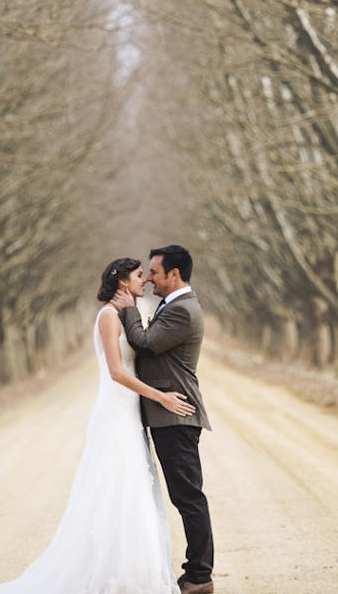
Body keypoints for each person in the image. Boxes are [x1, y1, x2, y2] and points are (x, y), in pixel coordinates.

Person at [0, 256, 194, 594]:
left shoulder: (126, 314)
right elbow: (117, 372)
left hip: (130, 414)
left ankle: (131, 573)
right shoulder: (108, 317)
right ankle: (109, 575)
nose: (146, 281)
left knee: (133, 489)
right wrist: (161, 397)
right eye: (140, 276)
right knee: (114, 489)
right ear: (123, 282)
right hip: (115, 413)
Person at [113, 244, 214, 594]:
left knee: (189, 498)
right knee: (185, 496)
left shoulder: (182, 310)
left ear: (174, 274)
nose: (150, 279)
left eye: (154, 272)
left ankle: (199, 576)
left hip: (176, 415)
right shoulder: (173, 305)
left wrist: (128, 309)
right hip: (167, 415)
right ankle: (196, 572)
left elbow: (145, 344)